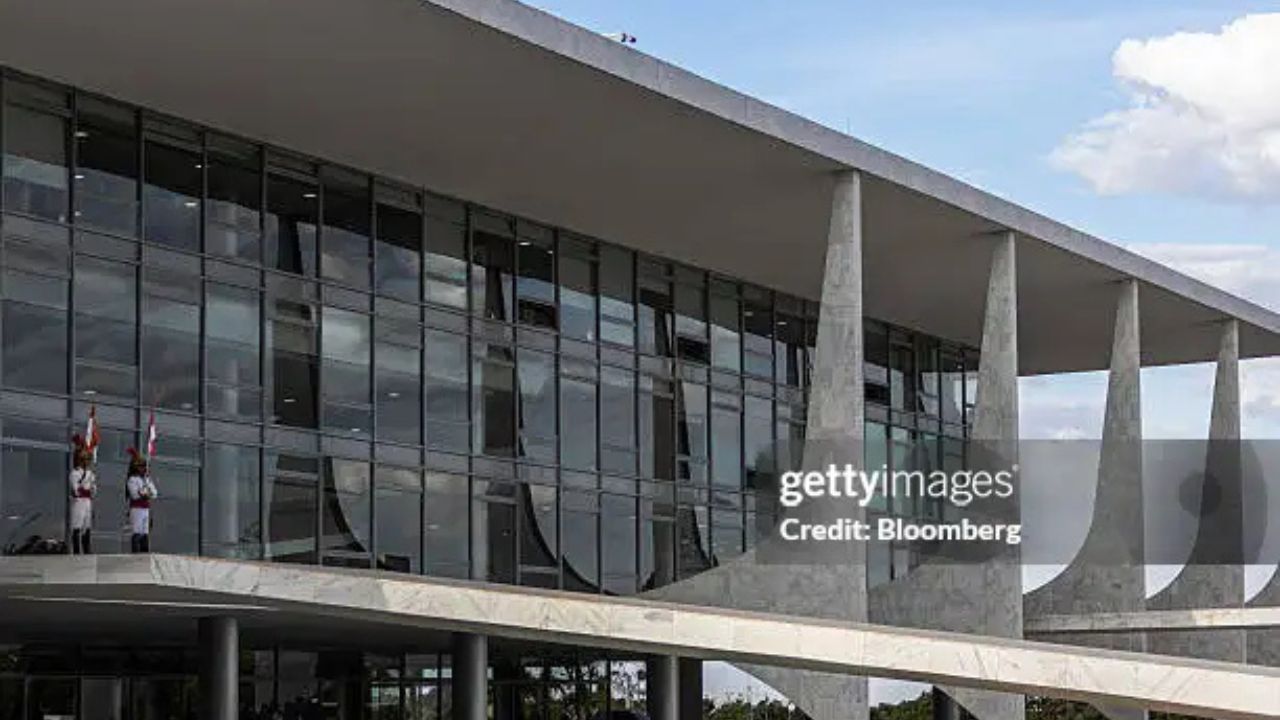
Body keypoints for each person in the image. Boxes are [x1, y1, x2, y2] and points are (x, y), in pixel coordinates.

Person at [125, 448, 158, 553]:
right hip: (136, 509)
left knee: (145, 533)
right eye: (141, 466)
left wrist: (147, 492)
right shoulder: (132, 479)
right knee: (137, 532)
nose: (143, 468)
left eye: (144, 466)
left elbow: (155, 493)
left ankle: (144, 554)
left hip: (146, 509)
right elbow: (135, 495)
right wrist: (145, 493)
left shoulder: (147, 479)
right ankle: (135, 554)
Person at [68, 434, 97, 554]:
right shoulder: (74, 473)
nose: (86, 461)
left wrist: (93, 488)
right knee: (77, 527)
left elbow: (94, 491)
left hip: (87, 502)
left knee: (87, 526)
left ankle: (87, 550)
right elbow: (75, 490)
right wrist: (84, 486)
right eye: (84, 459)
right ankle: (76, 551)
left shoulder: (90, 474)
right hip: (79, 502)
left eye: (87, 459)